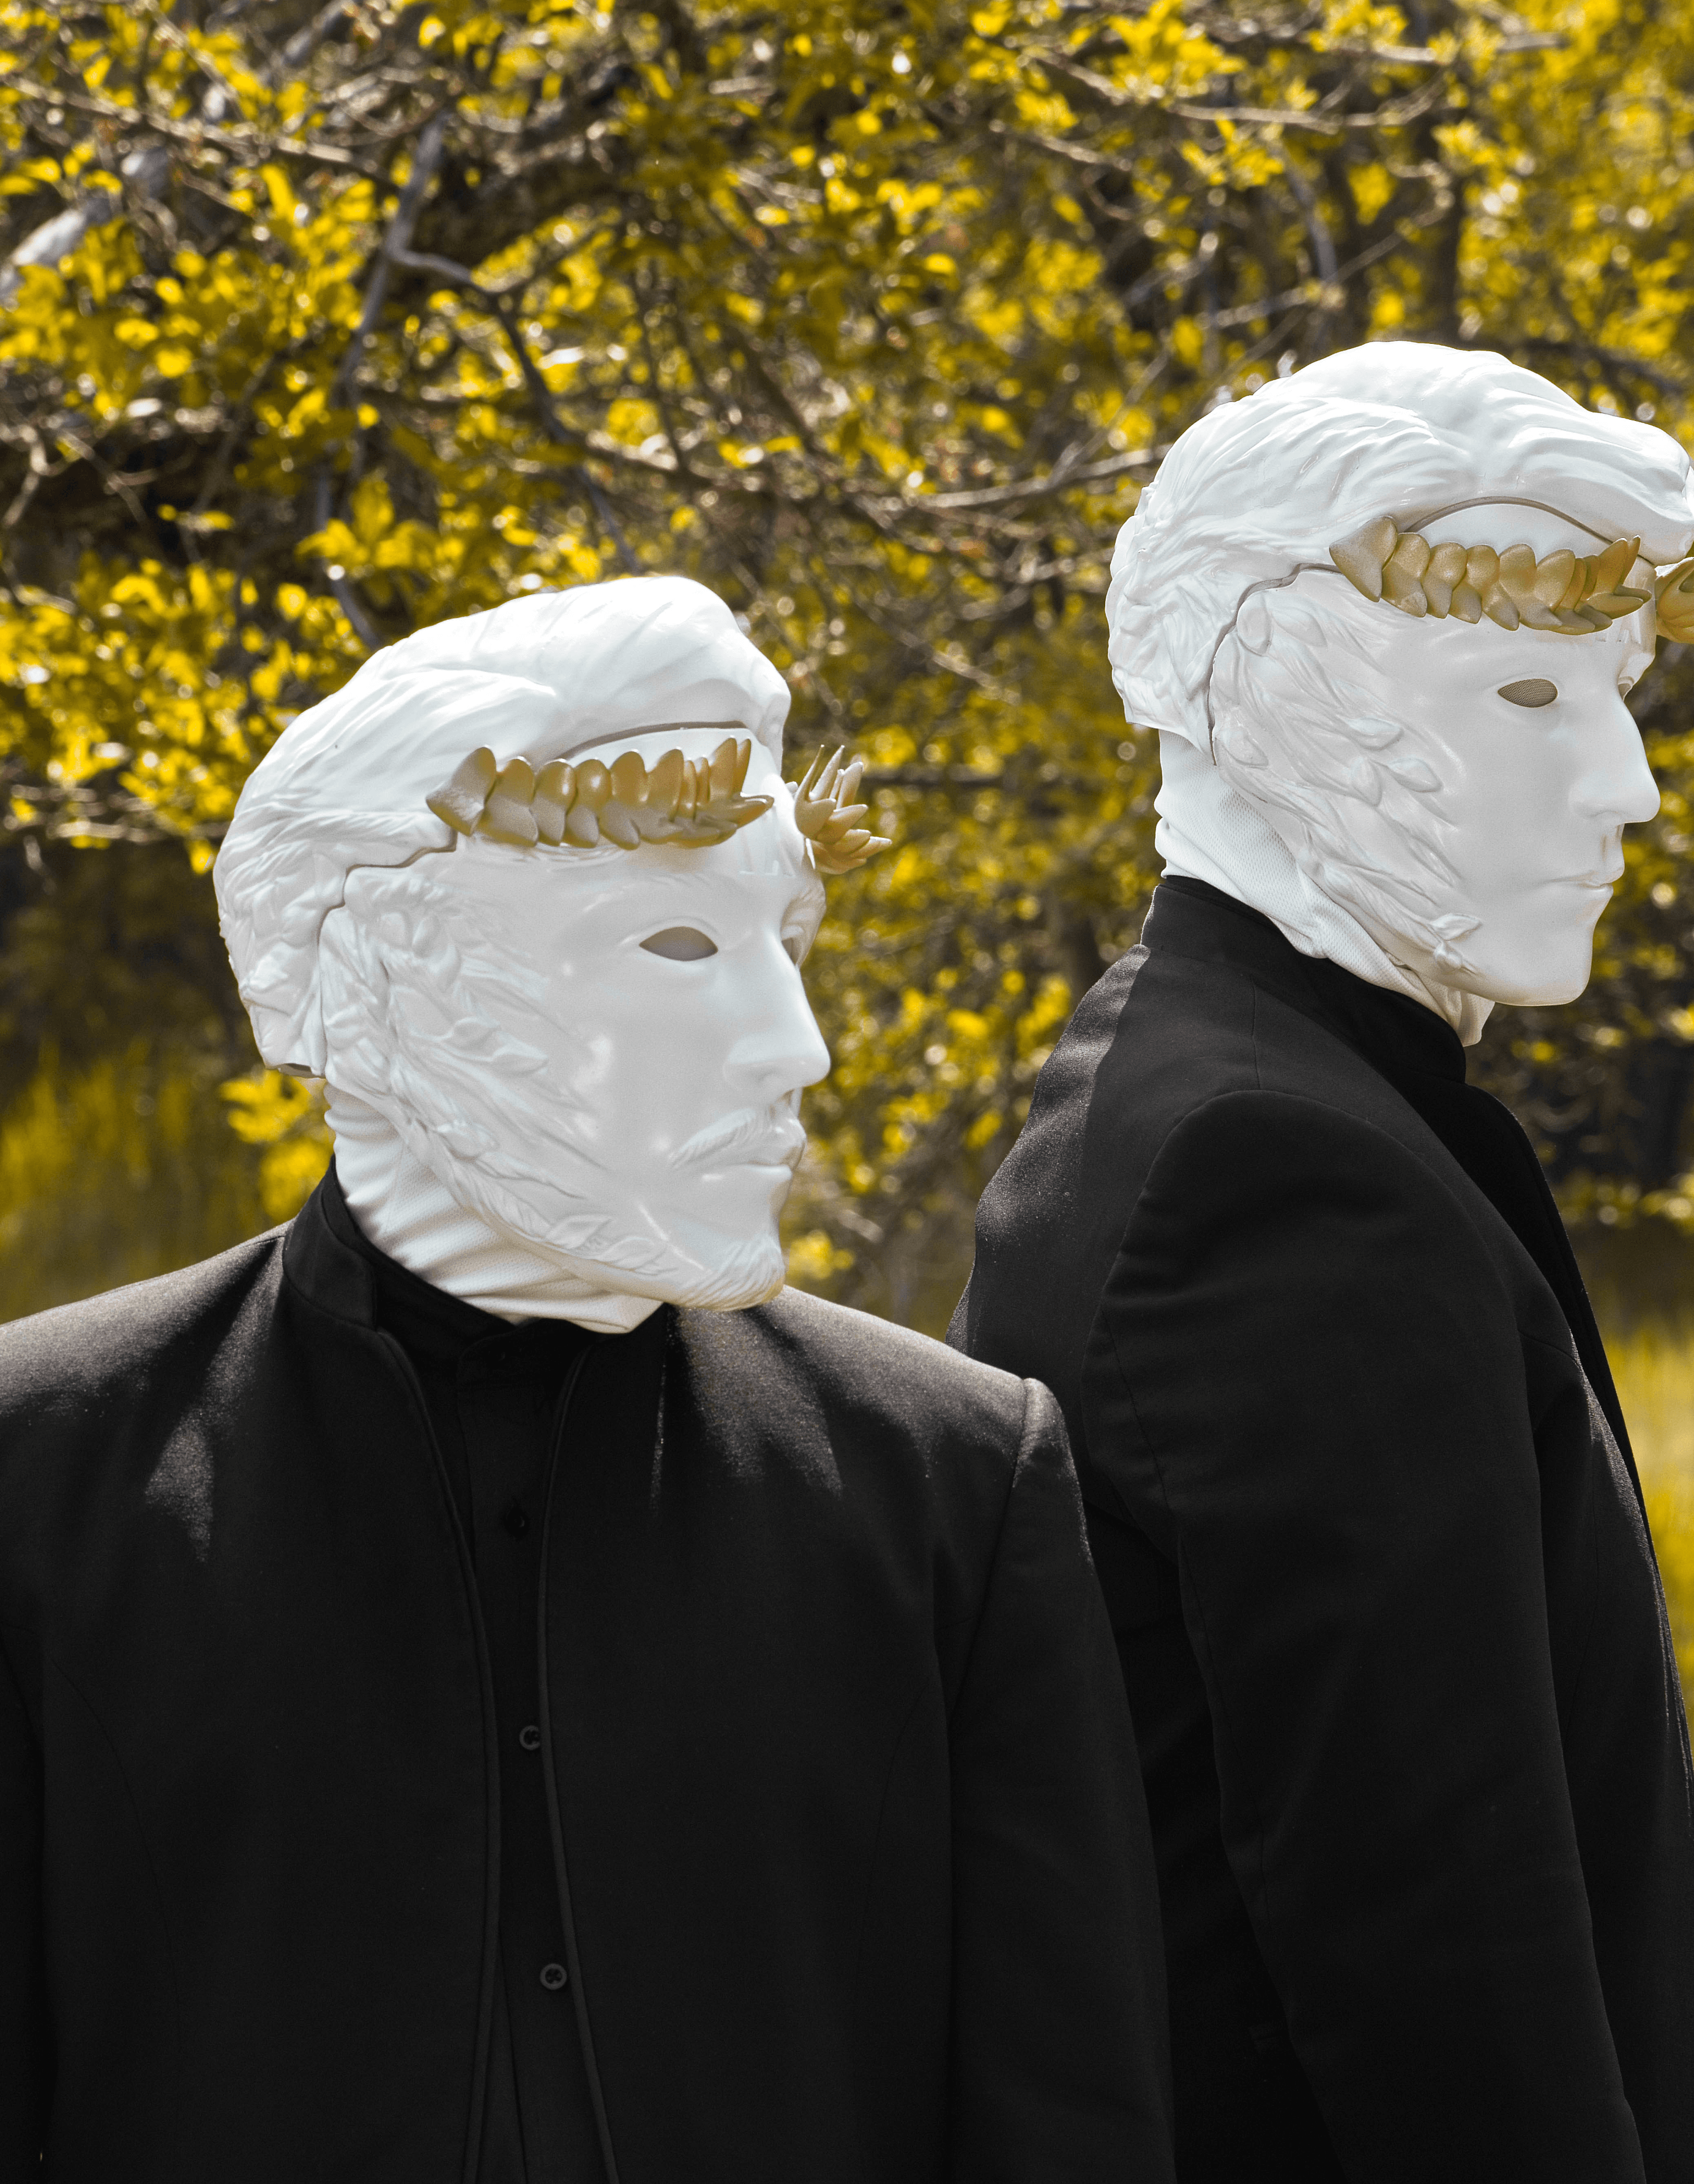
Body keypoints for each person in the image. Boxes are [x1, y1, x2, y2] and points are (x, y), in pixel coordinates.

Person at [0, 575, 1173, 2184]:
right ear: (359, 982)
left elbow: (1068, 2112)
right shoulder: (37, 1474)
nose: (797, 1044)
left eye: (792, 938)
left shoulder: (952, 1482)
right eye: (678, 940)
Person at [950, 343, 1694, 2183]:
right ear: (1265, 696)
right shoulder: (1278, 1176)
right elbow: (1437, 1958)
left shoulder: (1176, 1080)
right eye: (1522, 690)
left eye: (1612, 690)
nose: (1624, 783)